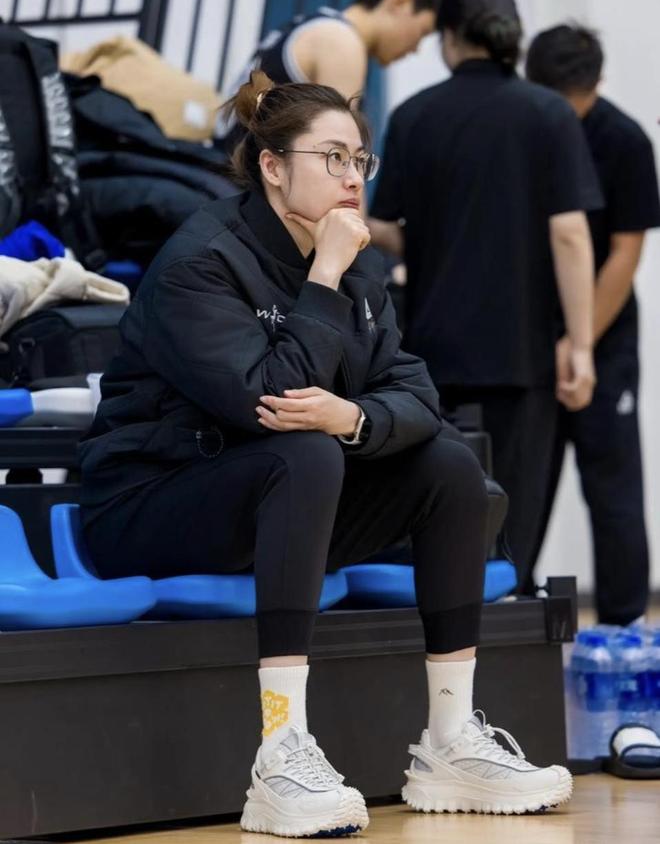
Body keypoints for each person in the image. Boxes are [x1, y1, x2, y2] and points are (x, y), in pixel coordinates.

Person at [79, 71, 572, 837]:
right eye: (333, 158)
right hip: (149, 503)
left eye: (359, 160)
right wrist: (325, 277)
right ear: (273, 166)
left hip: (277, 503)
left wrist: (355, 417)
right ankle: (282, 751)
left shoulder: (358, 264)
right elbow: (270, 399)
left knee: (448, 467)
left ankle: (450, 742)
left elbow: (417, 396)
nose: (352, 178)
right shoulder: (202, 260)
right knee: (305, 453)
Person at [368, 0, 603, 595]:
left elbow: (381, 226)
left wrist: (432, 240)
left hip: (433, 353)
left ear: (449, 36)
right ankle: (510, 632)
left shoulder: (414, 115)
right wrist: (581, 345)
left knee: (436, 506)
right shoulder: (548, 113)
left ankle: (442, 637)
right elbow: (570, 235)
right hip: (522, 352)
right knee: (515, 520)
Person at [525, 24, 660, 624]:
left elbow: (625, 255)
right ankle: (507, 621)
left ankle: (626, 628)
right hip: (527, 336)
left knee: (615, 491)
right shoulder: (520, 131)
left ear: (597, 85)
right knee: (520, 489)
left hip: (604, 337)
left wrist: (579, 340)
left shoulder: (625, 141)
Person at [217, 0, 455, 144]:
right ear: (400, 1)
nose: (416, 48)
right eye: (423, 32)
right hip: (239, 179)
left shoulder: (319, 24)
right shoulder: (341, 43)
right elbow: (336, 161)